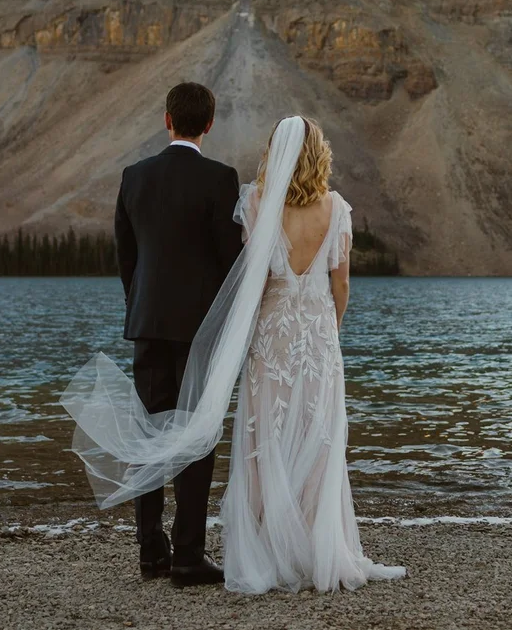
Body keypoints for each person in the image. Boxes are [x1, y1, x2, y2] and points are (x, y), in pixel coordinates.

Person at [61, 111, 406, 594]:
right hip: (319, 337)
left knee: (261, 435)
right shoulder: (338, 208)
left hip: (259, 333)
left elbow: (246, 277)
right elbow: (340, 282)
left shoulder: (256, 201)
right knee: (317, 436)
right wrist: (329, 327)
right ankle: (312, 548)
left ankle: (190, 549)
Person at [109, 81, 243, 586]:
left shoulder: (134, 176)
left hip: (147, 326)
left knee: (148, 435)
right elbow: (231, 262)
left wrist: (140, 305)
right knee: (197, 436)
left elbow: (126, 256)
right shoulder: (220, 179)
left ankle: (150, 553)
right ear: (208, 124)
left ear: (168, 119)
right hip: (200, 332)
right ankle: (187, 554)